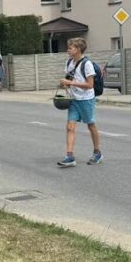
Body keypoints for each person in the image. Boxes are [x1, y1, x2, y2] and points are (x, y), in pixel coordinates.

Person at [56, 37, 102, 167]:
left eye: (70, 48)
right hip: (74, 99)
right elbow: (70, 79)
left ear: (78, 49)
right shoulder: (69, 62)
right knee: (70, 127)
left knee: (91, 125)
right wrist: (65, 85)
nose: (68, 50)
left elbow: (90, 85)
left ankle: (97, 152)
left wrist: (70, 82)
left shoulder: (87, 64)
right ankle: (70, 156)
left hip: (86, 99)